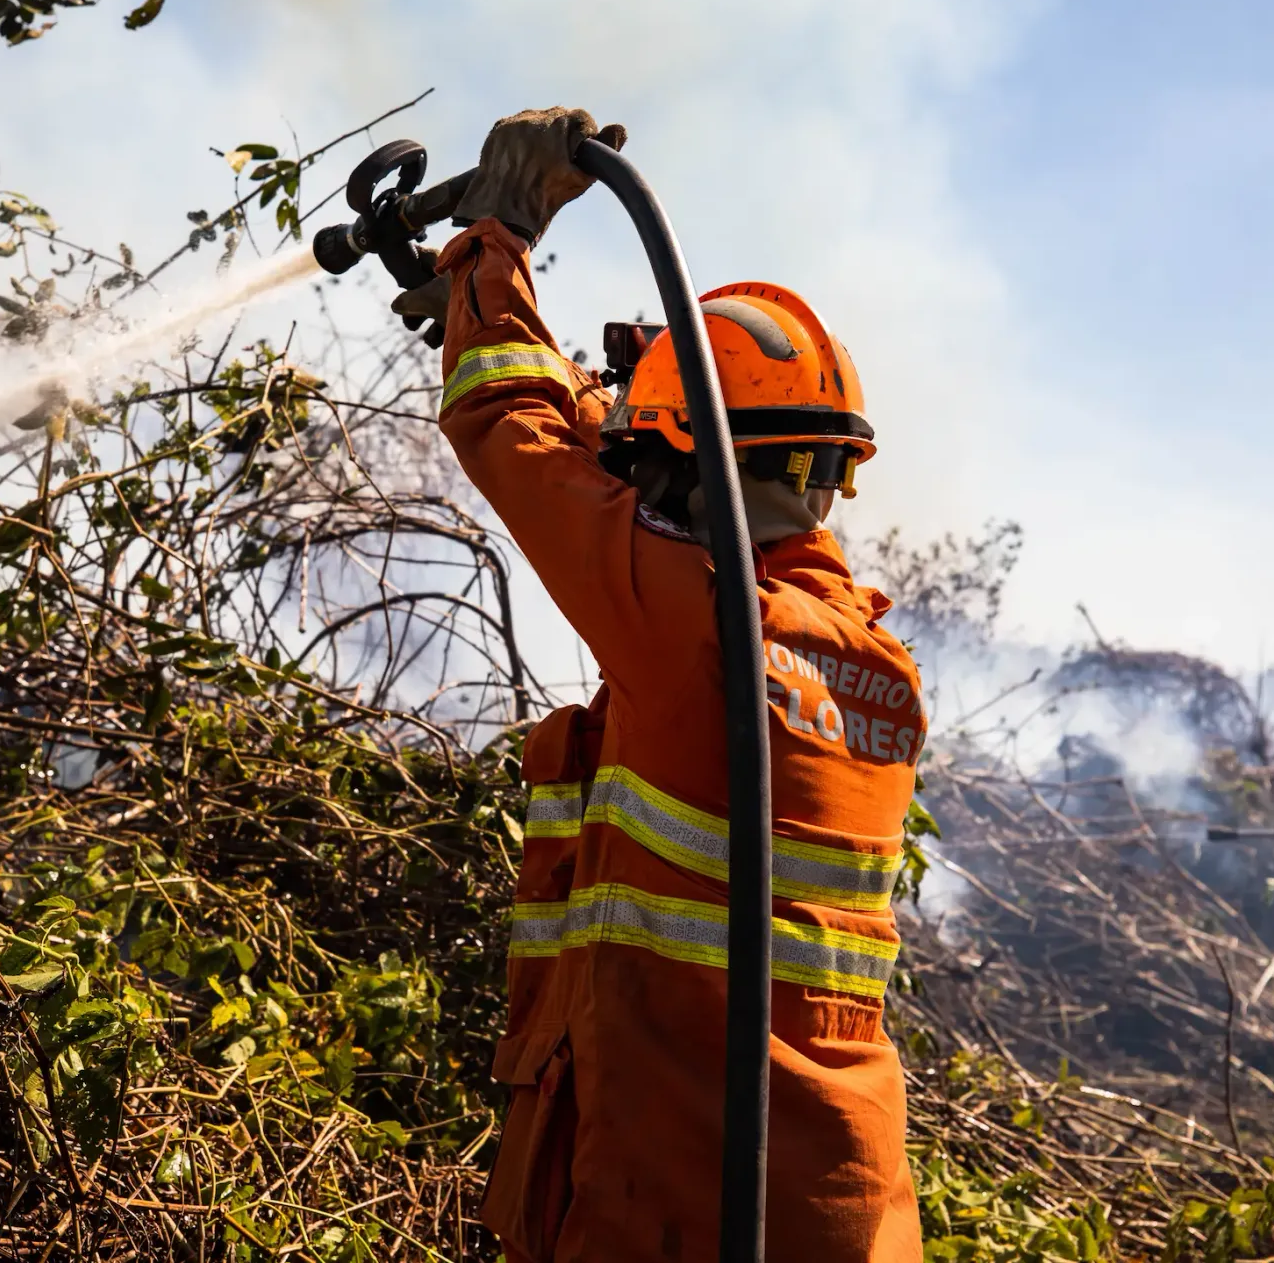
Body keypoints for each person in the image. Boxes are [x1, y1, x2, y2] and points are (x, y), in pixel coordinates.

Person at [394, 108, 924, 1261]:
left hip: (679, 1195)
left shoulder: (696, 630)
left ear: (685, 464)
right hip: (833, 1202)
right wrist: (503, 318)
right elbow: (627, 474)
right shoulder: (864, 660)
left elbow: (513, 431)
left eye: (649, 452)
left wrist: (502, 235)